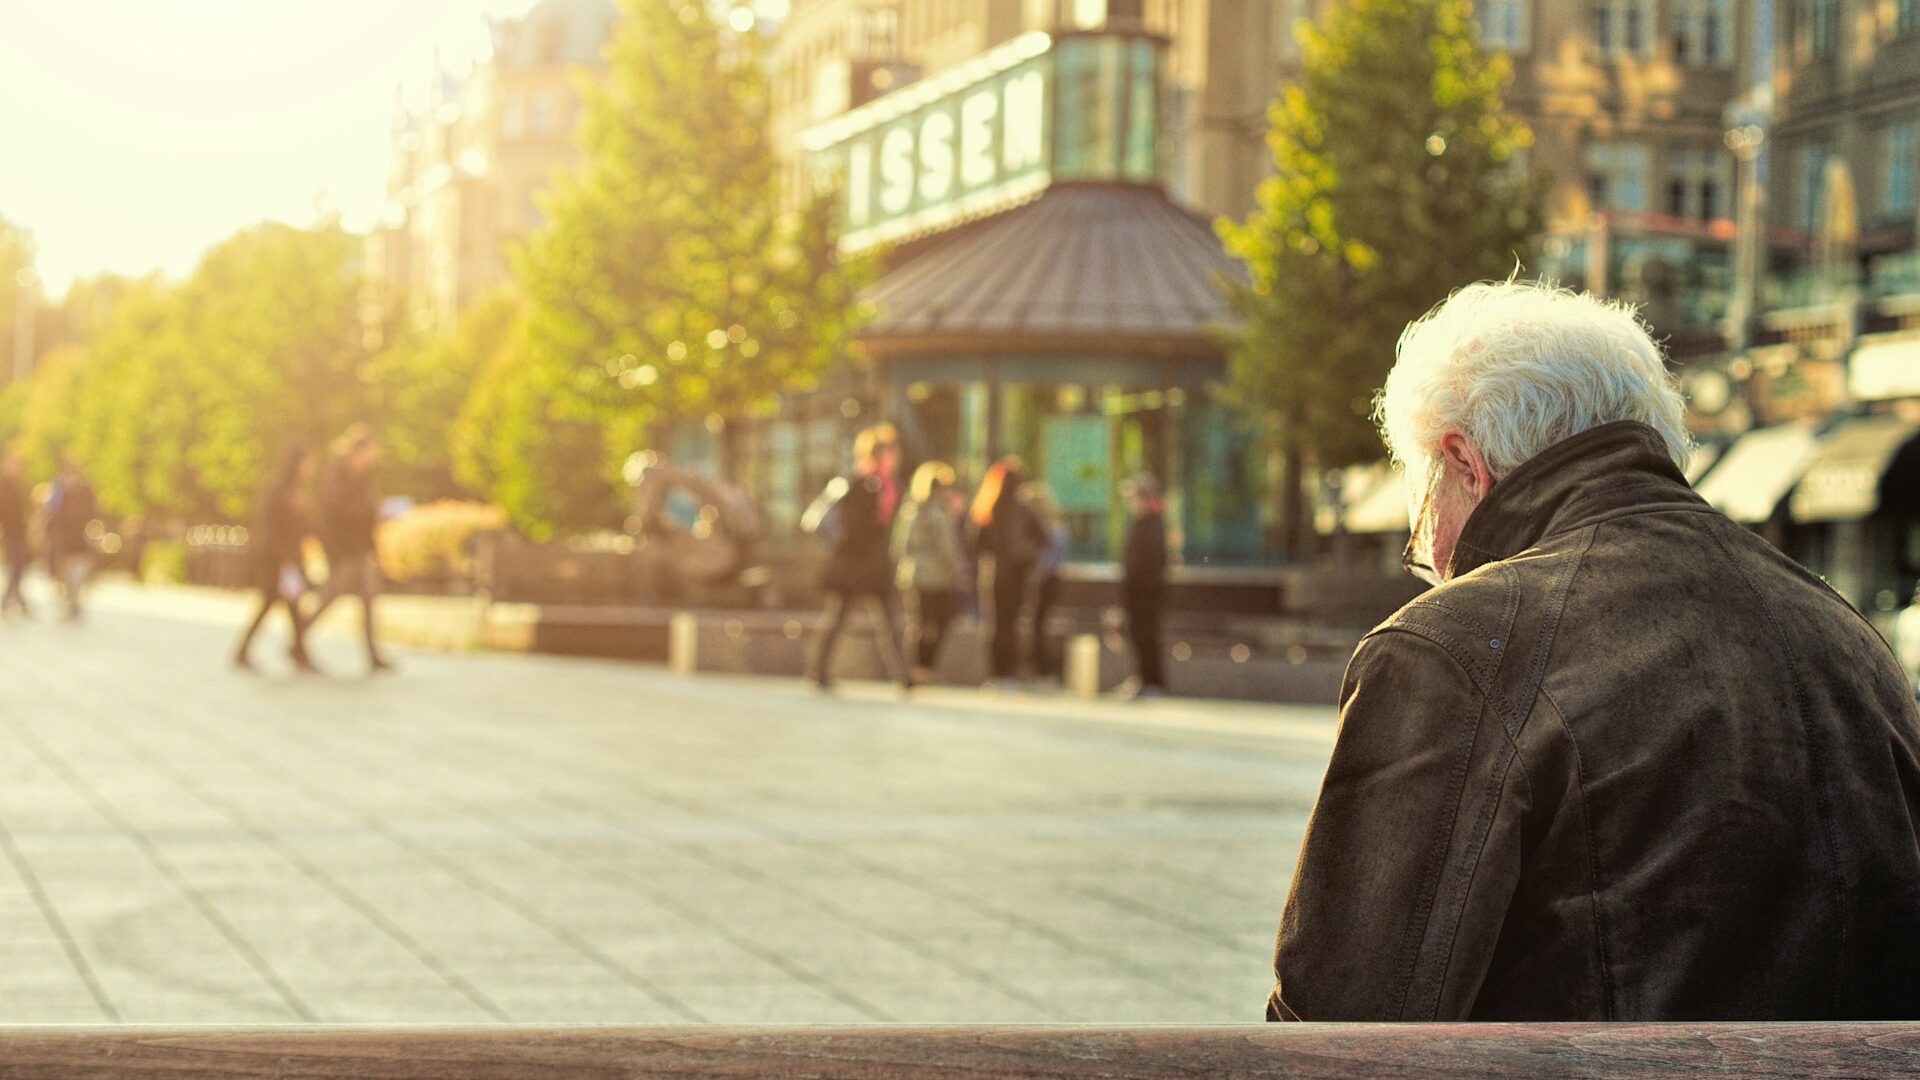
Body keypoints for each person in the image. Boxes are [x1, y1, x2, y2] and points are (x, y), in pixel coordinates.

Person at [1269, 280, 1920, 1021]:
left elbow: (1341, 1022)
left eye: (1422, 519)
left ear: (1464, 463)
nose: (1434, 557)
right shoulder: (1847, 635)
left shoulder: (1454, 648)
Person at [805, 424, 912, 691]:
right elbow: (855, 526)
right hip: (856, 565)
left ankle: (904, 675)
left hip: (873, 565)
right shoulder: (862, 484)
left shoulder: (887, 485)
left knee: (888, 620)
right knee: (841, 618)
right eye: (890, 451)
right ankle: (818, 670)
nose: (894, 456)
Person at [306, 426, 392, 672]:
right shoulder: (336, 478)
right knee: (329, 597)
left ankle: (373, 655)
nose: (370, 460)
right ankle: (299, 637)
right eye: (368, 454)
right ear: (356, 452)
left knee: (368, 599)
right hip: (344, 552)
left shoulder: (361, 479)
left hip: (360, 551)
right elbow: (332, 517)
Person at [234, 443, 318, 673]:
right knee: (277, 604)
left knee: (286, 606)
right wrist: (284, 559)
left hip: (289, 557)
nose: (310, 467)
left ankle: (297, 652)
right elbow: (271, 526)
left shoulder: (297, 489)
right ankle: (298, 653)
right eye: (307, 462)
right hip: (277, 559)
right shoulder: (279, 489)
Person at [970, 457, 1046, 687]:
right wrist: (1026, 555)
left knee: (996, 623)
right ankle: (1009, 673)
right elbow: (1043, 538)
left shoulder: (988, 507)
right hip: (1017, 573)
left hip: (995, 573)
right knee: (1011, 623)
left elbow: (975, 542)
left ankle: (996, 673)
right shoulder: (1023, 510)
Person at [893, 461, 965, 683]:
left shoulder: (909, 510)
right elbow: (947, 548)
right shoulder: (938, 512)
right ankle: (925, 667)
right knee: (939, 622)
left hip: (912, 575)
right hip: (937, 576)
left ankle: (915, 668)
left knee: (919, 622)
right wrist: (959, 570)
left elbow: (898, 546)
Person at [1120, 475, 1168, 698]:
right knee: (1138, 634)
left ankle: (1152, 681)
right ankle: (1144, 678)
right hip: (1137, 590)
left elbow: (1151, 562)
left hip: (1146, 592)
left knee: (1146, 634)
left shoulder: (1153, 524)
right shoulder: (1142, 523)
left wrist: (1143, 586)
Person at [1022, 483, 1068, 679]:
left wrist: (1034, 577)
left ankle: (1044, 668)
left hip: (1046, 581)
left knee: (1039, 624)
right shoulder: (1053, 528)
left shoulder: (1051, 530)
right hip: (1047, 579)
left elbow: (1050, 560)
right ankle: (1039, 667)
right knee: (1037, 623)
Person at [43, 460, 96, 622]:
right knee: (65, 572)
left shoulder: (87, 492)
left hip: (81, 539)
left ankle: (74, 599)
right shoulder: (60, 493)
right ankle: (69, 598)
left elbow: (94, 514)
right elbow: (52, 514)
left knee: (80, 572)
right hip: (64, 540)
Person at [0, 452, 32, 619]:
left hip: (20, 532)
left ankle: (13, 598)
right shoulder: (4, 486)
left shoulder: (20, 485)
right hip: (10, 532)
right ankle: (11, 600)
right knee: (15, 566)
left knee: (19, 566)